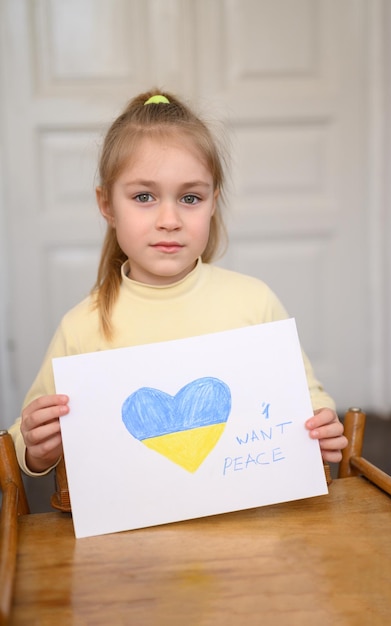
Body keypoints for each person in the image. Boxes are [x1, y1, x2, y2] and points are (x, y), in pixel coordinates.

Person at [9, 89, 347, 477]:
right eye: (144, 196)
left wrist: (320, 423)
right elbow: (26, 437)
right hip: (131, 534)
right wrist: (36, 448)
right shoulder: (83, 326)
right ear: (107, 205)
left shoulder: (254, 302)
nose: (169, 219)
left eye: (189, 198)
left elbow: (306, 396)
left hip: (249, 523)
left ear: (213, 201)